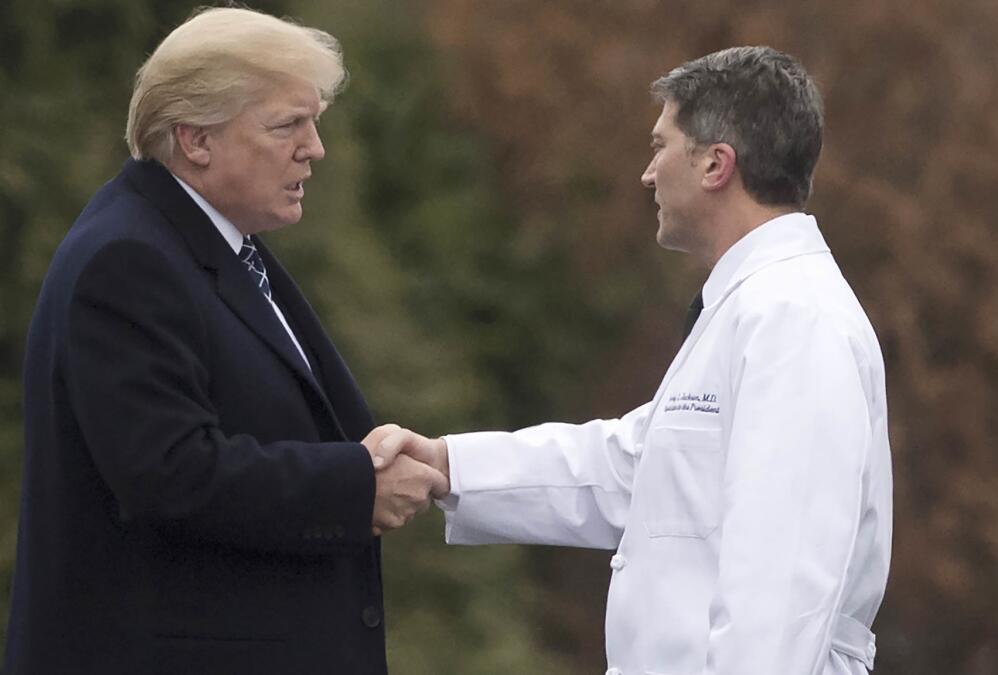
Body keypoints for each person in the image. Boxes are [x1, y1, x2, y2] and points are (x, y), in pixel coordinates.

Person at [369, 46, 892, 675]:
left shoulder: (793, 318)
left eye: (660, 145)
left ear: (715, 165)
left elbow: (779, 585)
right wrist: (451, 465)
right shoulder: (755, 308)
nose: (647, 174)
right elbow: (635, 469)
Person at [3, 8, 444, 674]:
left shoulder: (210, 246)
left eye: (314, 120)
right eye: (287, 124)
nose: (315, 147)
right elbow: (168, 473)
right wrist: (353, 486)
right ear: (194, 139)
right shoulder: (127, 260)